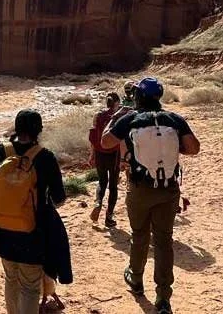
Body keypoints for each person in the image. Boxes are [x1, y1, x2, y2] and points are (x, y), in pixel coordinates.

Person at [100, 77, 200, 314]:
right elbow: (194, 148)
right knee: (164, 241)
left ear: (138, 97)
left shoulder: (130, 119)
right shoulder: (175, 119)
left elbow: (105, 142)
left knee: (140, 235)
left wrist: (115, 117)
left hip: (140, 188)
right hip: (168, 190)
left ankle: (135, 278)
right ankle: (163, 297)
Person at [0, 109, 67, 314]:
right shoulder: (45, 157)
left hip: (1, 230)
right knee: (29, 286)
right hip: (33, 234)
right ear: (38, 131)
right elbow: (59, 198)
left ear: (16, 128)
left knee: (11, 279)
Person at [88, 92, 124, 227]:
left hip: (99, 153)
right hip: (114, 155)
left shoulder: (98, 116)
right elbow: (122, 140)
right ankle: (109, 217)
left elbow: (92, 137)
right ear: (116, 103)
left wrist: (91, 155)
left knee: (102, 182)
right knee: (113, 186)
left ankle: (98, 202)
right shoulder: (118, 117)